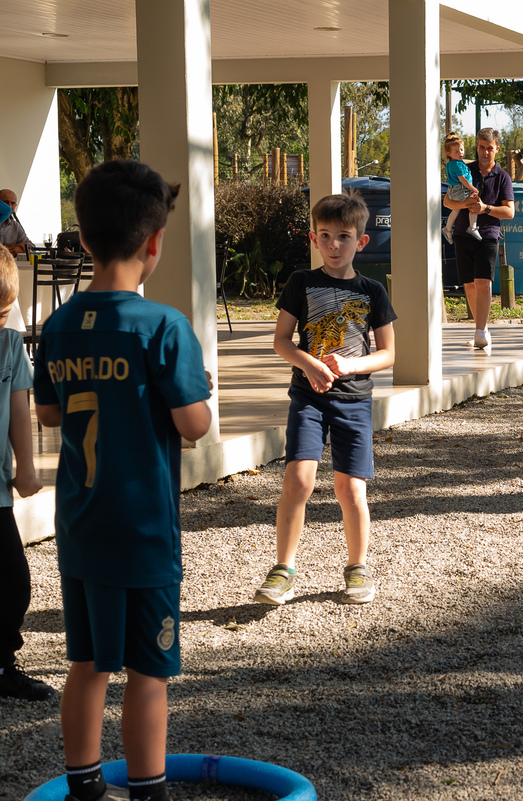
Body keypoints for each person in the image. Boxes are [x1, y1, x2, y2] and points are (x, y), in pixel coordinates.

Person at [32, 159, 213, 801]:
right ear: (155, 242)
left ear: (83, 240)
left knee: (86, 663)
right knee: (146, 672)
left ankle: (84, 787)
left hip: (81, 526)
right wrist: (195, 392)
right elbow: (194, 425)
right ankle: (147, 790)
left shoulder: (57, 326)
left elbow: (49, 413)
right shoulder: (163, 326)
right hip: (142, 534)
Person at [254, 192, 397, 607]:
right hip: (308, 397)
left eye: (344, 236)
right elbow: (282, 341)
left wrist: (350, 366)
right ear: (314, 239)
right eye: (325, 235)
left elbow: (388, 354)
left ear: (361, 242)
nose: (334, 245)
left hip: (354, 401)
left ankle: (357, 567)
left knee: (350, 489)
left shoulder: (372, 291)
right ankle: (283, 569)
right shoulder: (301, 282)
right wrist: (310, 365)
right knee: (298, 480)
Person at [0, 247, 50, 703]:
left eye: (4, 313)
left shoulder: (10, 345)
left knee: (13, 583)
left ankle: (2, 664)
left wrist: (27, 469)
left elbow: (20, 408)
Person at [442, 127, 515, 350]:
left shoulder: (503, 177)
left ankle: (480, 331)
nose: (485, 152)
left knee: (484, 282)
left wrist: (485, 208)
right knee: (470, 286)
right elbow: (447, 201)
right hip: (462, 233)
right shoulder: (463, 168)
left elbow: (509, 212)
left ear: (497, 149)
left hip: (488, 235)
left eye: (489, 148)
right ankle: (482, 329)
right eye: (482, 147)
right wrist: (466, 204)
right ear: (476, 147)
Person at [441, 134, 481, 243]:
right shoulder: (457, 165)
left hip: (454, 190)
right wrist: (473, 189)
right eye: (456, 151)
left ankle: (447, 228)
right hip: (461, 190)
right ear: (449, 153)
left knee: (456, 209)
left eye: (462, 150)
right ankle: (472, 227)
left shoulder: (452, 163)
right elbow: (462, 179)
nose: (460, 153)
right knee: (475, 202)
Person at [0, 189, 32, 255]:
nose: (9, 206)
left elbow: (31, 246)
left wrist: (19, 249)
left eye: (12, 203)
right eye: (6, 202)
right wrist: (15, 246)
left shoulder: (15, 225)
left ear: (15, 206)